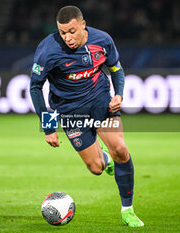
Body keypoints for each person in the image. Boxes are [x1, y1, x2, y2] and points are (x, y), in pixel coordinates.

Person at [30, 5, 144, 227]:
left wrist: (118, 94)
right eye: (63, 33)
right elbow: (36, 87)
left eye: (72, 31)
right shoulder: (48, 50)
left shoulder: (102, 40)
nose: (67, 38)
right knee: (96, 168)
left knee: (120, 148)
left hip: (100, 100)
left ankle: (127, 209)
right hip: (70, 110)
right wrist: (49, 127)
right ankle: (106, 160)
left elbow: (116, 69)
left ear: (83, 24)